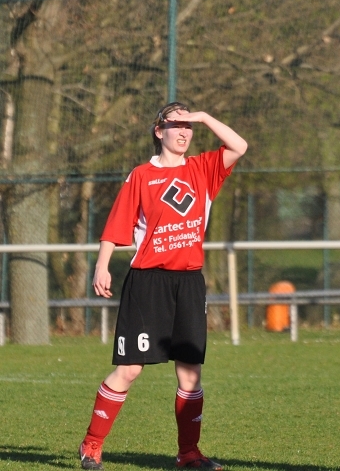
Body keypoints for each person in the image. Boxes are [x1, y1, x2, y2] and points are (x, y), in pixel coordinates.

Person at [78, 102, 247, 471]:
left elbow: (239, 146)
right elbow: (117, 224)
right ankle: (92, 445)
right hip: (148, 281)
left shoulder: (202, 168)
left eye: (189, 126)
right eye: (176, 125)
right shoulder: (141, 175)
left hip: (188, 283)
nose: (184, 132)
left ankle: (189, 454)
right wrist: (102, 265)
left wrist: (204, 117)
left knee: (190, 372)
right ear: (159, 131)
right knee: (130, 369)